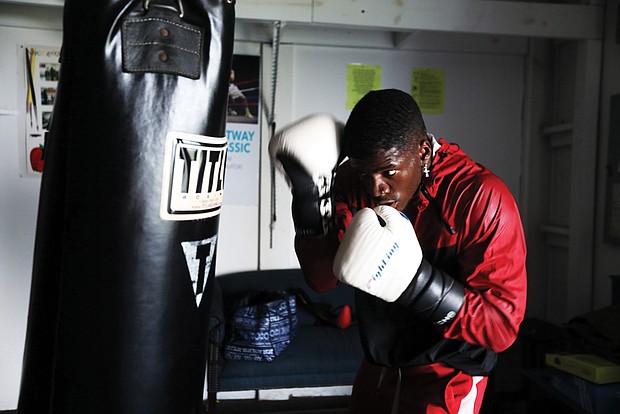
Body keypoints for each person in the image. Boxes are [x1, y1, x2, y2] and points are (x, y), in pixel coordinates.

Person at [269, 89, 527, 413]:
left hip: (448, 377)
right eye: (367, 175)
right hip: (379, 366)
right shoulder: (354, 180)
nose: (376, 188)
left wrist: (416, 282)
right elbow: (322, 280)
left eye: (389, 172)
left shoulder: (478, 198)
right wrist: (308, 200)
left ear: (422, 150)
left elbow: (501, 327)